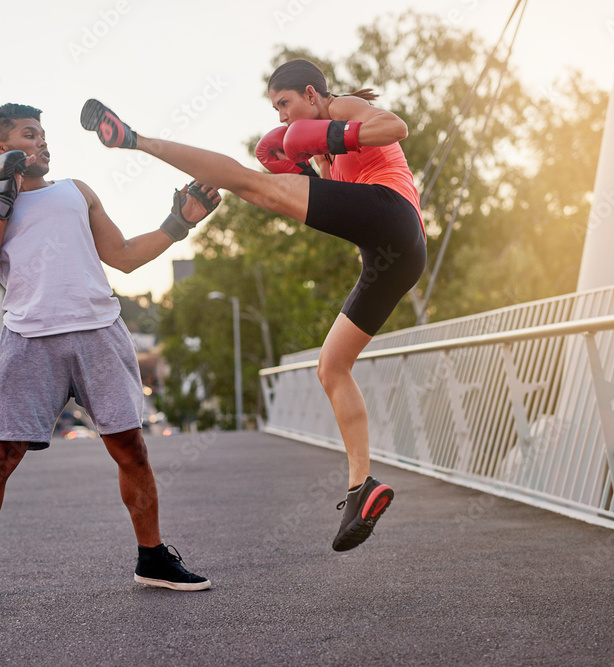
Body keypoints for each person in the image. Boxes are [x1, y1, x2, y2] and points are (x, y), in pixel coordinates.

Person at [81, 59, 427, 552]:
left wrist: (328, 135)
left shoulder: (342, 107)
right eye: (276, 110)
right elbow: (325, 187)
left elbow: (397, 126)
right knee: (331, 367)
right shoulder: (323, 153)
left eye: (285, 105)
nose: (282, 118)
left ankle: (134, 140)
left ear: (312, 94)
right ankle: (361, 486)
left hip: (394, 216)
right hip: (394, 255)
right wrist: (312, 161)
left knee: (250, 183)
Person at [0, 103, 220, 611]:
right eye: (30, 135)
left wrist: (178, 223)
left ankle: (152, 558)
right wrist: (4, 196)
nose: (43, 142)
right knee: (0, 458)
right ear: (2, 150)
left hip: (98, 332)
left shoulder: (76, 191)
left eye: (44, 134)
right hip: (27, 340)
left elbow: (126, 257)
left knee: (131, 447)